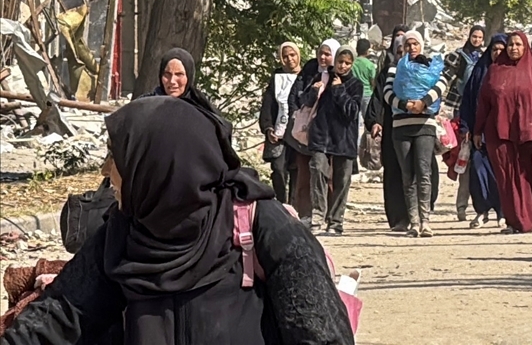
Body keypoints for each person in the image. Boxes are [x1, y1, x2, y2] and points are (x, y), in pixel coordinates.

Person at [3, 97, 354, 344]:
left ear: (156, 168)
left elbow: (322, 334)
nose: (107, 171)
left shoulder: (261, 224)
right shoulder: (124, 231)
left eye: (119, 158)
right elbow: (62, 315)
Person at [473, 32, 532, 234]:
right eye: (510, 44)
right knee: (507, 178)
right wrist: (477, 131)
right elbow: (483, 104)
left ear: (525, 47)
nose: (513, 48)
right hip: (500, 133)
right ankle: (514, 221)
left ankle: (530, 218)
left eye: (518, 44)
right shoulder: (494, 71)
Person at [384, 31, 449, 237]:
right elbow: (387, 93)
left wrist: (424, 103)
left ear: (421, 45)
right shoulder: (396, 68)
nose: (412, 48)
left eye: (415, 44)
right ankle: (413, 221)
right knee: (407, 174)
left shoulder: (430, 65)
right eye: (408, 44)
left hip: (425, 125)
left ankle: (425, 220)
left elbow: (442, 84)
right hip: (401, 126)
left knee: (424, 171)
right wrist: (405, 104)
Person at [302, 47, 363, 235]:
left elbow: (352, 111)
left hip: (344, 138)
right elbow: (305, 102)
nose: (342, 66)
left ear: (351, 64)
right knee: (317, 169)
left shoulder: (355, 84)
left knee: (342, 179)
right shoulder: (323, 78)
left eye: (347, 63)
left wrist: (339, 90)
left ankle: (336, 221)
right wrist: (313, 92)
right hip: (321, 135)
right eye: (340, 62)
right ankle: (318, 214)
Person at [289, 39, 341, 222]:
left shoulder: (339, 75)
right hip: (306, 132)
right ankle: (305, 214)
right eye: (321, 53)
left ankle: (329, 215)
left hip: (330, 134)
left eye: (328, 54)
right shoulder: (309, 71)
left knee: (328, 175)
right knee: (304, 175)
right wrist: (311, 93)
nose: (323, 57)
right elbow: (296, 97)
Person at [460, 34, 508, 229]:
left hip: (504, 134)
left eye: (501, 50)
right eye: (494, 49)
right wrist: (466, 128)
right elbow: (468, 101)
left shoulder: (511, 72)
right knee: (478, 171)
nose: (497, 53)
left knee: (500, 174)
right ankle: (481, 210)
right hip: (480, 133)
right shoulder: (480, 71)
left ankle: (502, 212)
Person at [444, 25, 486, 222]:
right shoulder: (459, 57)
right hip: (460, 110)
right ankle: (461, 207)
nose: (476, 40)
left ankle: (482, 207)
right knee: (465, 161)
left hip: (481, 114)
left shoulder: (485, 59)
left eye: (479, 37)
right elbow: (446, 78)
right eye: (474, 36)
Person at [258, 42, 302, 203]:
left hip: (299, 134)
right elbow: (268, 105)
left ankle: (294, 206)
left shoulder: (306, 76)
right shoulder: (276, 79)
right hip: (279, 132)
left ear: (298, 55)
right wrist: (268, 128)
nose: (290, 59)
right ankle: (281, 203)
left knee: (297, 170)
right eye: (285, 56)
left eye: (293, 55)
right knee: (278, 168)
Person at [351, 39, 377, 118]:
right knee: (368, 118)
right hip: (367, 94)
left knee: (355, 118)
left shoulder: (352, 63)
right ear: (367, 51)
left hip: (354, 94)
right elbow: (373, 82)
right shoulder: (370, 65)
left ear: (356, 49)